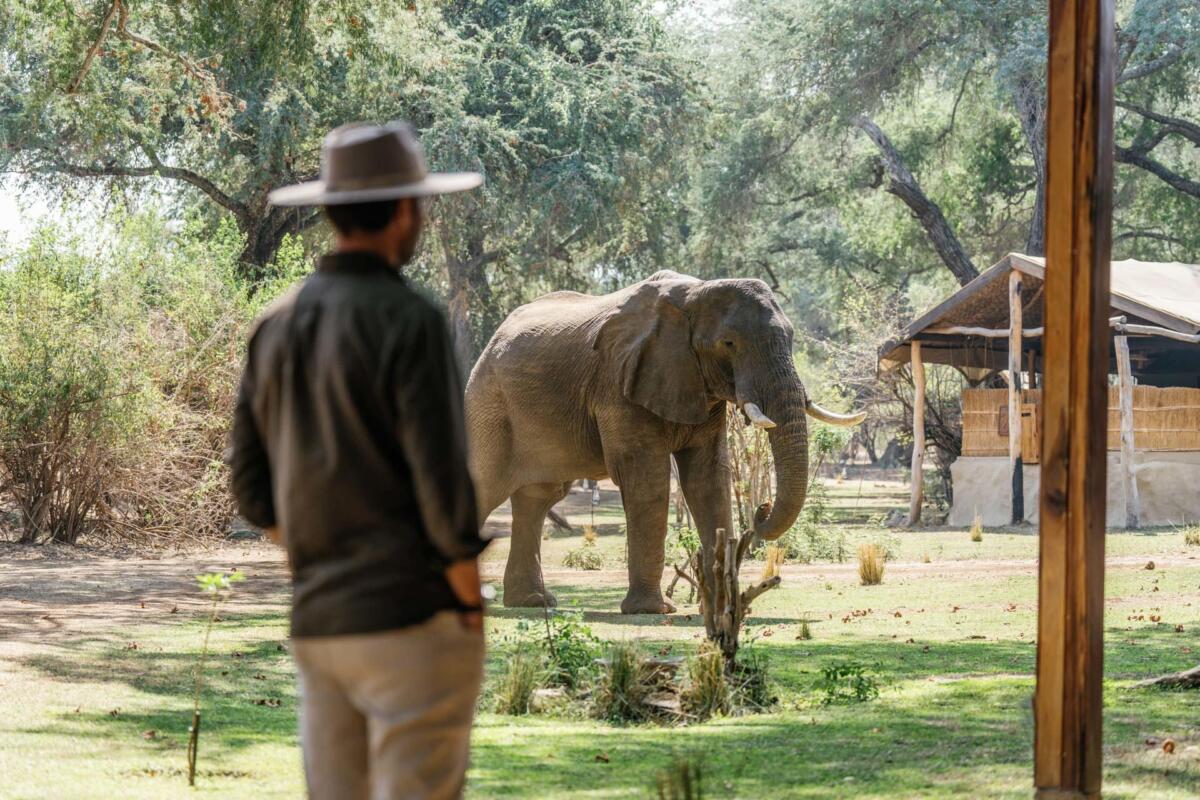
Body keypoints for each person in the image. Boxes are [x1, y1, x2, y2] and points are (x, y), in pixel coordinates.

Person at [227, 121, 489, 800]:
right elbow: (441, 480)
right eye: (422, 206)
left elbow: (252, 493)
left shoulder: (275, 323)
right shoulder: (410, 319)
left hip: (320, 625)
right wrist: (467, 597)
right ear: (405, 211)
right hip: (411, 620)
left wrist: (321, 556)